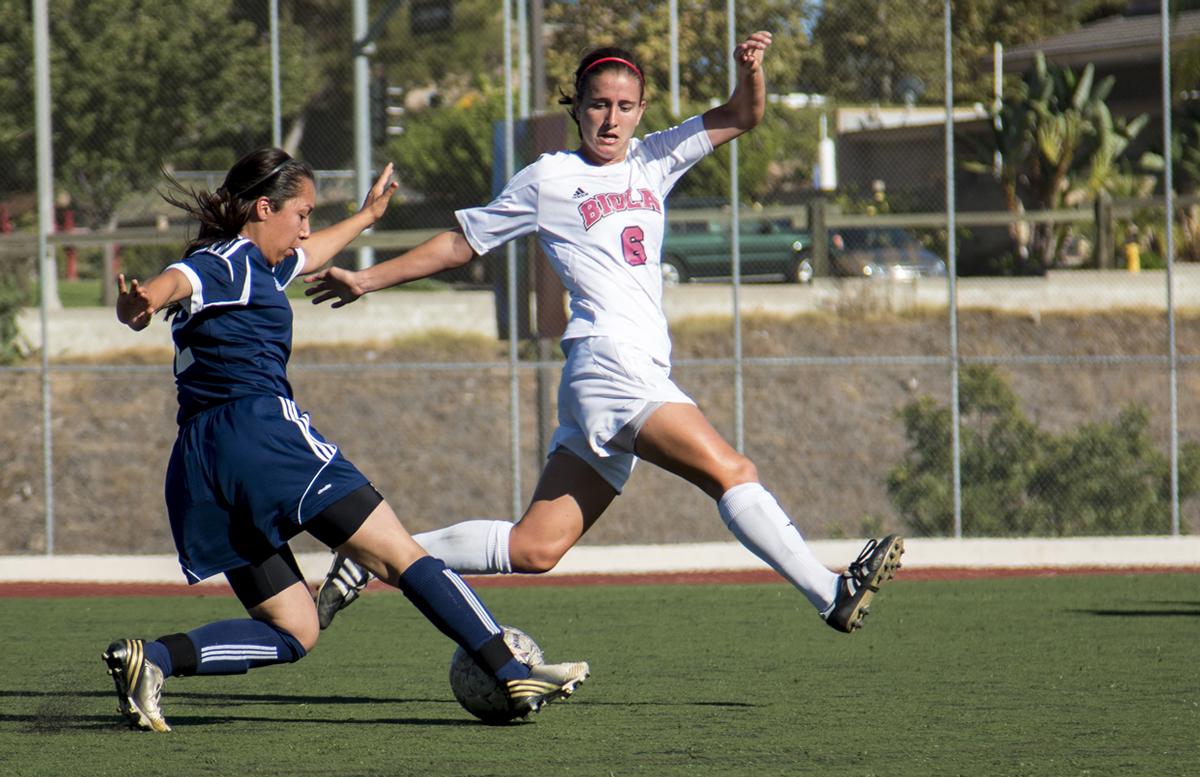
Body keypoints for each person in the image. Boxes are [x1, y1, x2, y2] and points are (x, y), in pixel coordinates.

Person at [308, 32, 903, 636]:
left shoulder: (656, 157)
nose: (611, 118)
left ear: (641, 111)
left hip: (621, 373)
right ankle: (830, 592)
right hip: (610, 363)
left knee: (534, 548)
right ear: (577, 108)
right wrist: (366, 279)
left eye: (624, 106)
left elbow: (744, 114)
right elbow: (462, 243)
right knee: (733, 472)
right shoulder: (550, 177)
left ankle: (369, 554)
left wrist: (750, 70)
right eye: (597, 104)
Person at [104, 148, 587, 733]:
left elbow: (306, 256)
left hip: (199, 464)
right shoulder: (227, 260)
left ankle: (153, 659)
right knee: (400, 555)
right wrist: (143, 302)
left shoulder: (257, 264)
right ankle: (510, 671)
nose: (306, 227)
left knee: (295, 629)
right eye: (301, 212)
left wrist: (365, 218)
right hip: (262, 434)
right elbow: (177, 282)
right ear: (264, 207)